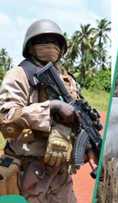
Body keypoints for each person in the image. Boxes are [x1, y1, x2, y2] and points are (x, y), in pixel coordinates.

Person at [0, 19, 81, 202]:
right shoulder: (20, 74)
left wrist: (67, 129)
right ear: (30, 47)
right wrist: (51, 107)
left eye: (55, 43)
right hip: (27, 170)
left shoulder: (69, 81)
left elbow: (78, 119)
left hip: (59, 174)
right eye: (43, 41)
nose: (50, 47)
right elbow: (6, 118)